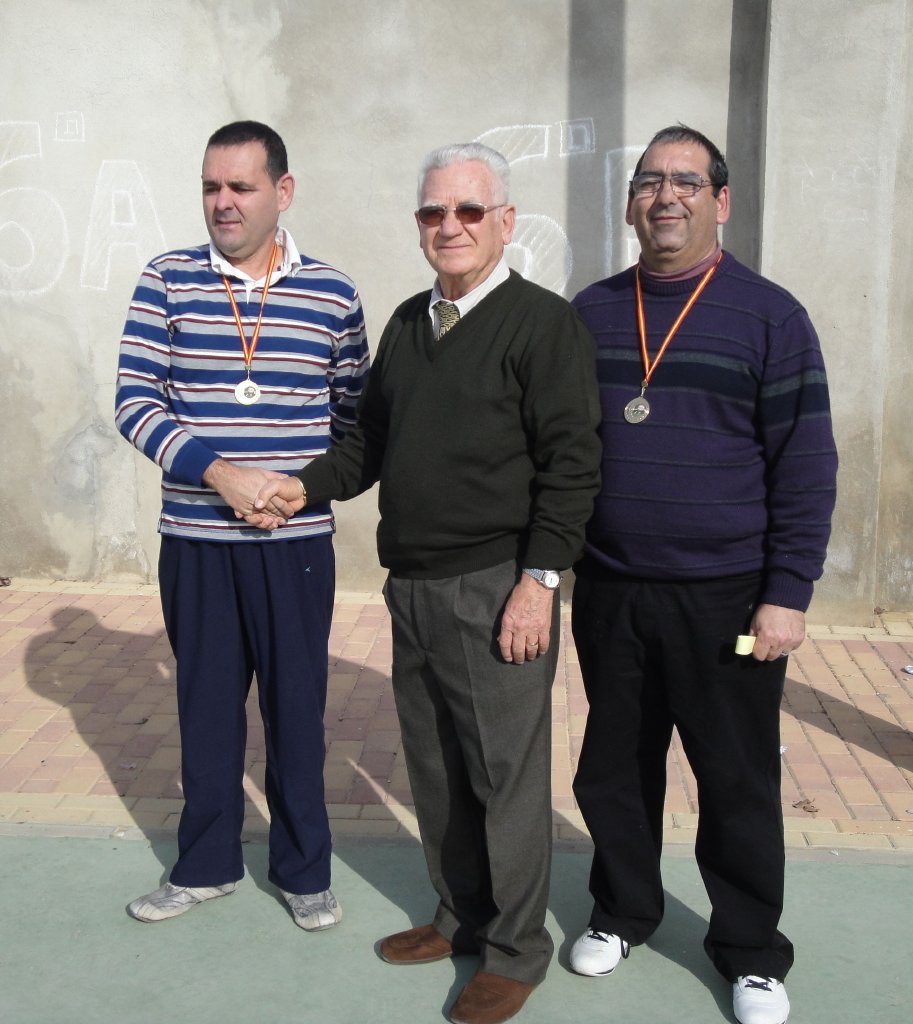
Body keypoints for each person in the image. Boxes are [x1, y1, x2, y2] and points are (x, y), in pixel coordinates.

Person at [252, 142, 602, 1024]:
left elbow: (572, 465)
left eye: (469, 210)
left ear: (504, 222)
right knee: (438, 768)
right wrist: (303, 486)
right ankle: (461, 916)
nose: (450, 226)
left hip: (497, 586)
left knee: (504, 778)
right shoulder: (411, 322)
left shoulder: (542, 325)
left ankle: (517, 951)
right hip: (410, 584)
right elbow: (370, 442)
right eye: (432, 212)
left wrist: (540, 581)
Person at [567, 125, 838, 1024]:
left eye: (686, 181)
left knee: (734, 778)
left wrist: (786, 593)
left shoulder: (770, 316)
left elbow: (805, 463)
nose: (665, 197)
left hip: (726, 596)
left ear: (720, 201)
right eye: (649, 181)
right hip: (612, 588)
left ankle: (750, 951)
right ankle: (621, 912)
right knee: (613, 768)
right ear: (630, 203)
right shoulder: (592, 311)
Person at [114, 120, 369, 931]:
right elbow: (134, 402)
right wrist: (220, 474)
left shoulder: (332, 294)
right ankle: (205, 866)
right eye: (210, 187)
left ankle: (304, 871)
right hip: (197, 541)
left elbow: (355, 425)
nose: (222, 202)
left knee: (297, 712)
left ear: (281, 192)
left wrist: (300, 487)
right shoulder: (166, 280)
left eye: (240, 186)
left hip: (295, 546)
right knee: (206, 710)